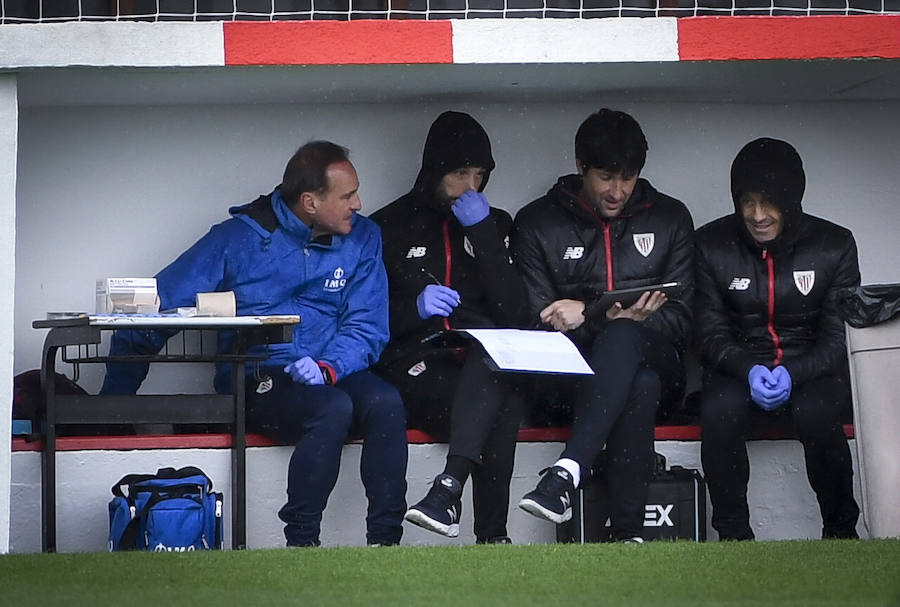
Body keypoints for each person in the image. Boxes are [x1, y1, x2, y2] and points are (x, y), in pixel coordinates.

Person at [101, 141, 408, 548]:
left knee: (386, 402)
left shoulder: (364, 236)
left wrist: (329, 367)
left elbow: (367, 325)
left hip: (334, 369)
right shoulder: (237, 238)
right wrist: (112, 407)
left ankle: (386, 544)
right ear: (310, 202)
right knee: (332, 408)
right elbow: (155, 311)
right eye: (347, 196)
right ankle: (302, 543)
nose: (359, 204)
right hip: (260, 375)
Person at [511, 108, 694, 543]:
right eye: (606, 177)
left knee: (628, 340)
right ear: (581, 167)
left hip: (662, 367)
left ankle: (567, 471)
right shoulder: (538, 222)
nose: (617, 191)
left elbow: (684, 318)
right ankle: (628, 535)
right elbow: (535, 325)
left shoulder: (669, 217)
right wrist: (601, 322)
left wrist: (596, 317)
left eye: (628, 178)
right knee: (638, 383)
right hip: (569, 384)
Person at [371, 111, 530, 543]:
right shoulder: (387, 226)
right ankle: (491, 535)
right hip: (415, 362)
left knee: (499, 386)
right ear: (435, 170)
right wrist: (414, 309)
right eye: (460, 174)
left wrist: (483, 234)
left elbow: (516, 316)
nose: (471, 187)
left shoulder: (495, 224)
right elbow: (364, 321)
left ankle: (448, 492)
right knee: (500, 406)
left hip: (481, 362)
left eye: (479, 175)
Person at [694, 137, 861, 541]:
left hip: (812, 372)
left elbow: (838, 338)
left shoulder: (834, 245)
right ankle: (733, 537)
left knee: (817, 412)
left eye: (769, 203)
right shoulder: (710, 244)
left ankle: (841, 533)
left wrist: (793, 372)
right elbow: (709, 331)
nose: (757, 215)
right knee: (718, 412)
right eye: (747, 202)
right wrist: (750, 370)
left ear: (791, 201)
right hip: (739, 369)